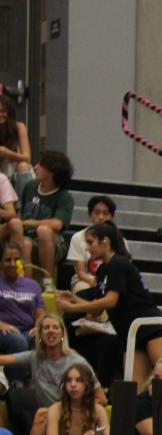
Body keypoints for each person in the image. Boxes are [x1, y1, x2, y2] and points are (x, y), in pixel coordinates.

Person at [55, 221, 161, 386]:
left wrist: (73, 308)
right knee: (136, 390)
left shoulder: (118, 263)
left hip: (149, 326)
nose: (87, 248)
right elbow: (98, 310)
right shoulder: (103, 269)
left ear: (105, 242)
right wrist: (73, 298)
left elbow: (111, 301)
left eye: (90, 242)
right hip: (129, 331)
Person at [0, 313, 97, 435]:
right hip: (49, 419)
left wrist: (72, 409)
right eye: (46, 328)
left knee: (42, 414)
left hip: (72, 415)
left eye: (55, 327)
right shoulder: (34, 358)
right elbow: (4, 360)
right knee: (43, 414)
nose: (51, 331)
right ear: (40, 335)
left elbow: (101, 398)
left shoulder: (77, 362)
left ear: (62, 334)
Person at [3, 150, 72, 290]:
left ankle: (47, 280)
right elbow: (21, 214)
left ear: (51, 172)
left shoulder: (64, 196)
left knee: (44, 230)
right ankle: (24, 285)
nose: (35, 167)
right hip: (29, 237)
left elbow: (57, 224)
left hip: (53, 241)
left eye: (40, 165)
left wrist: (31, 223)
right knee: (26, 243)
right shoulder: (31, 187)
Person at [66, 196, 117, 295]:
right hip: (84, 280)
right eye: (97, 213)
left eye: (105, 213)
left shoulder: (119, 240)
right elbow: (81, 273)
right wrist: (97, 283)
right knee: (82, 289)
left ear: (112, 216)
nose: (101, 217)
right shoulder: (78, 237)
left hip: (111, 282)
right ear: (90, 214)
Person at [0, 241, 42, 359]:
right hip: (3, 331)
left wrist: (38, 327)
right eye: (8, 260)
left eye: (17, 259)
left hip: (27, 331)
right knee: (18, 341)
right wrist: (1, 325)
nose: (13, 264)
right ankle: (17, 378)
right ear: (1, 262)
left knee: (42, 338)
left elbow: (40, 315)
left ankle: (39, 377)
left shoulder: (33, 285)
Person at [0, 95, 32, 189]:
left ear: (9, 112)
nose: (0, 114)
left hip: (14, 168)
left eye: (3, 111)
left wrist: (7, 152)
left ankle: (23, 202)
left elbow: (27, 158)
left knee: (24, 166)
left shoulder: (19, 127)